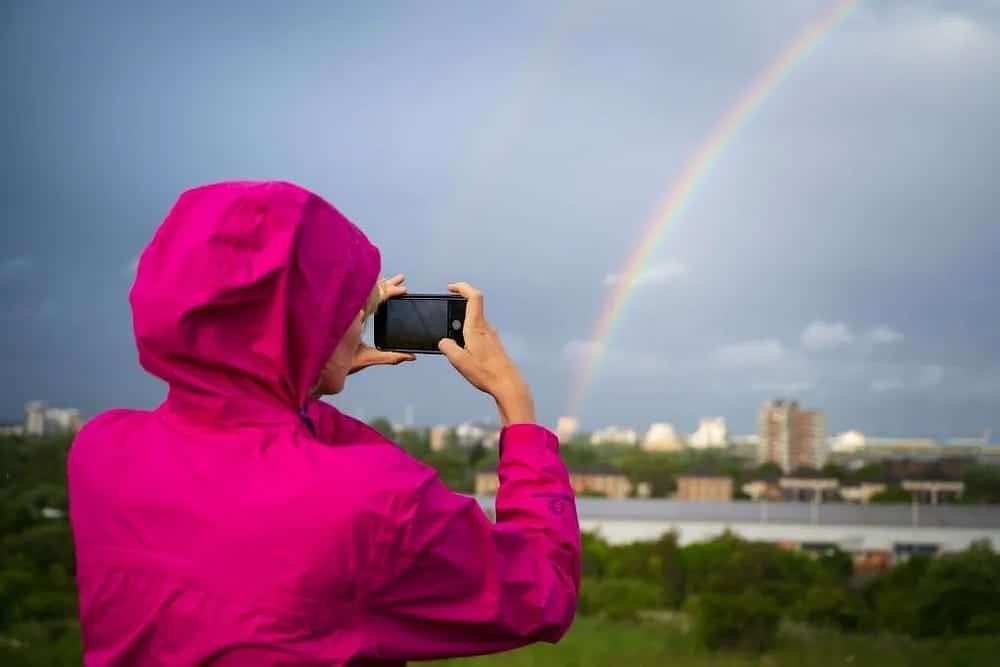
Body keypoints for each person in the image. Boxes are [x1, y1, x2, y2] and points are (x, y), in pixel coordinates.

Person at [67, 181, 580, 666]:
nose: (359, 320)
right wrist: (517, 406)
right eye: (349, 308)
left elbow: (239, 459)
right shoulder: (374, 503)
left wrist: (300, 374)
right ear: (309, 321)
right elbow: (544, 593)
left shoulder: (100, 453)